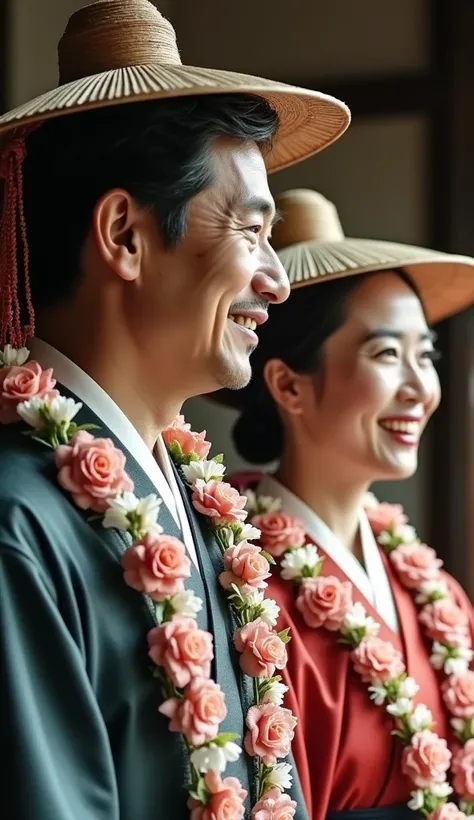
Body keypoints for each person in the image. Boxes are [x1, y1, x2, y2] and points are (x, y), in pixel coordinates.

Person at [0, 3, 351, 817]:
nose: (278, 279)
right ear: (124, 234)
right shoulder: (19, 519)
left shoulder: (199, 507)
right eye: (250, 230)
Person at [213, 189, 474, 820]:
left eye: (426, 356)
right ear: (288, 384)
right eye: (387, 354)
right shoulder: (243, 589)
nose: (420, 389)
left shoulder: (431, 588)